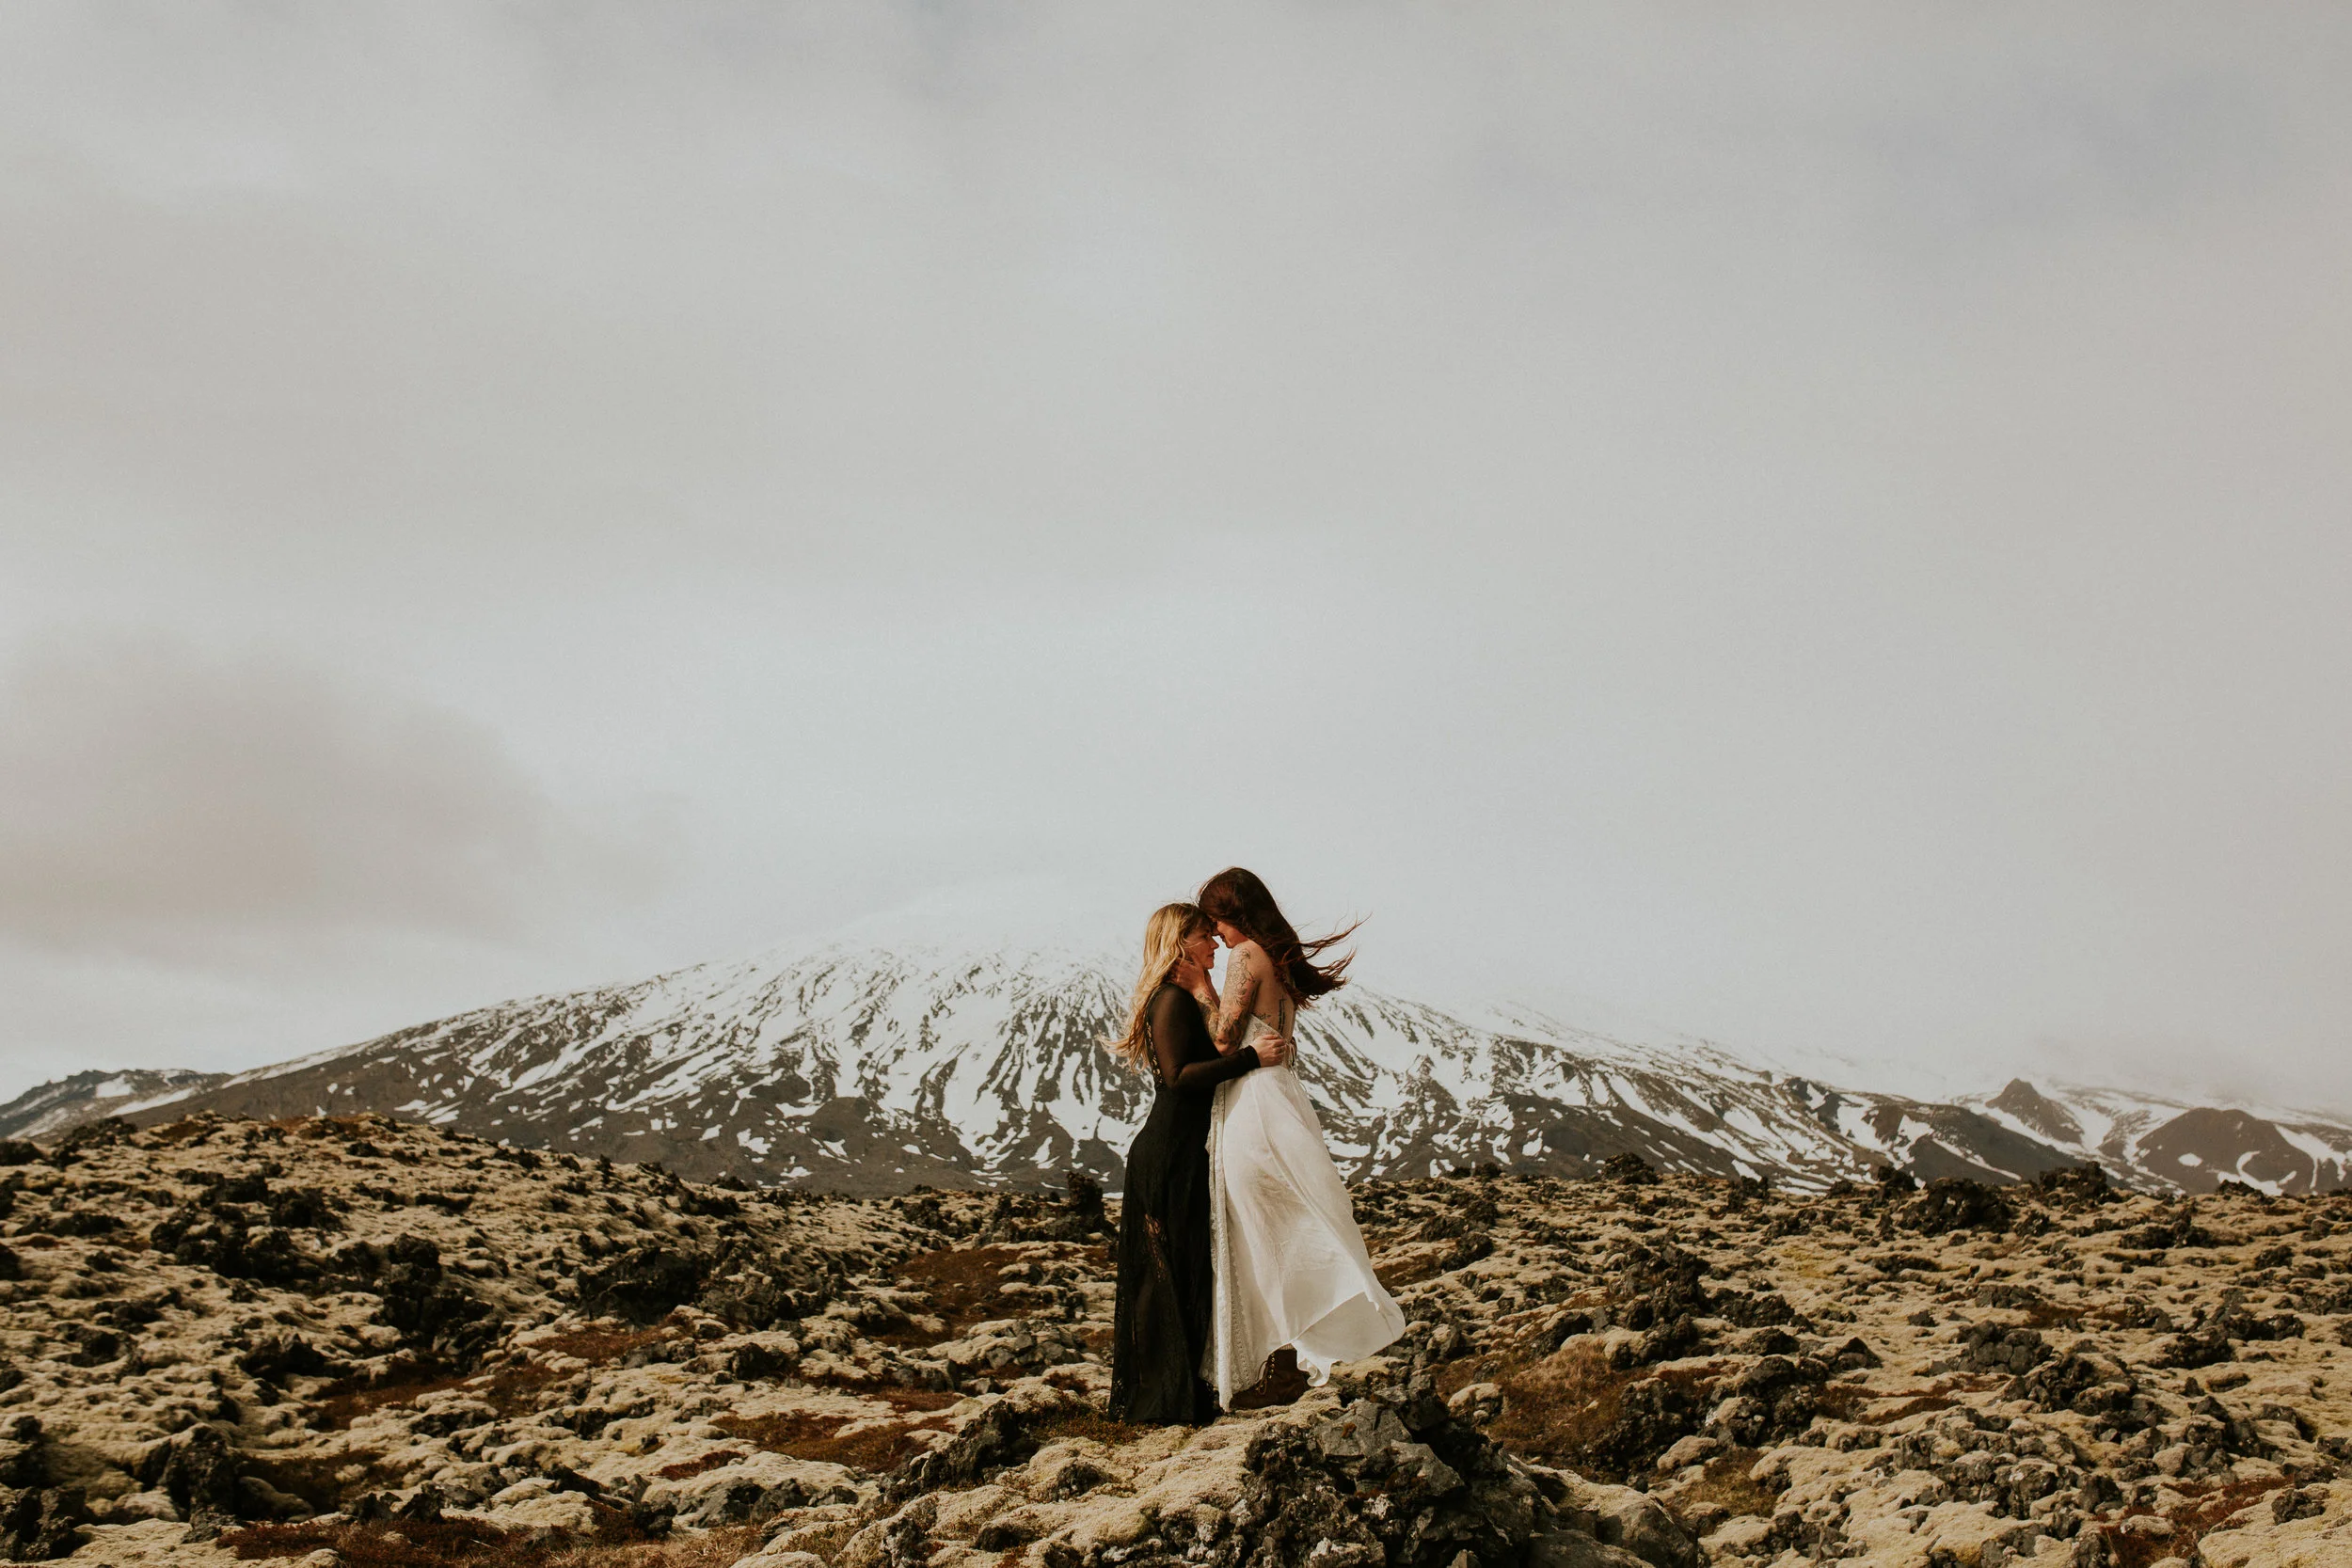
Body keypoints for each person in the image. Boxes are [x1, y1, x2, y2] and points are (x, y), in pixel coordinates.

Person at [1197, 867, 1406, 1408]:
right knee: (1283, 1221)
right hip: (1283, 1092)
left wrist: (1198, 988)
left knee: (1254, 1227)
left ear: (1235, 913)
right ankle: (1282, 1356)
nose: (1216, 933)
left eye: (1217, 919)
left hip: (1254, 1100)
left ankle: (1277, 1361)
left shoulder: (1247, 957)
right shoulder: (1281, 960)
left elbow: (1223, 1039)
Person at [1104, 902, 1293, 1424]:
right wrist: (1252, 1059)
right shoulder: (1169, 1000)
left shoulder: (1184, 998)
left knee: (1184, 1270)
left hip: (1185, 1152)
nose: (1216, 945)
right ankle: (1153, 1405)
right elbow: (1178, 1076)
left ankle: (1178, 1397)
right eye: (1204, 937)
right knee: (1160, 1277)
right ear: (1180, 943)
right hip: (1167, 1154)